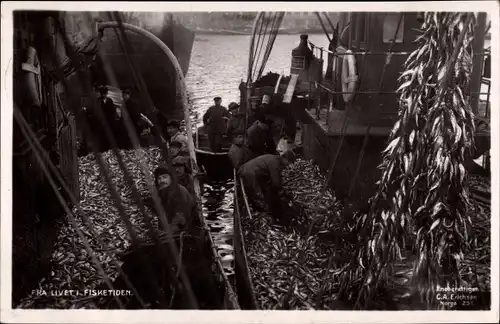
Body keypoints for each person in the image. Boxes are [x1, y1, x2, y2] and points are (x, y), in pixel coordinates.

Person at [153, 164, 198, 234]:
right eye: (159, 178)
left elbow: (181, 215)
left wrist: (169, 231)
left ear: (171, 178)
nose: (161, 181)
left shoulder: (179, 191)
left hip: (187, 231)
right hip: (173, 230)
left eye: (164, 177)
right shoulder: (163, 192)